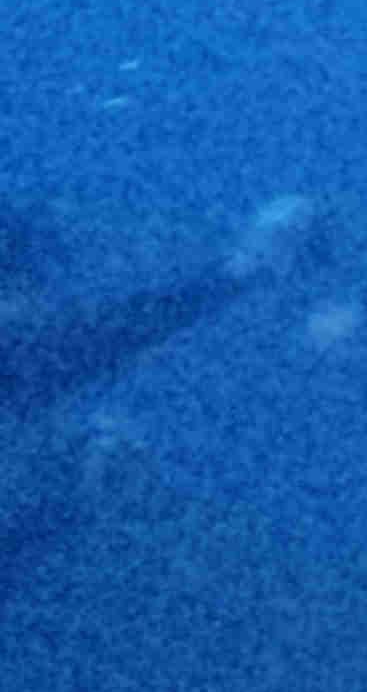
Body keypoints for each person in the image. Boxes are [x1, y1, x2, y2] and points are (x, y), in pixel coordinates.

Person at [0, 194, 326, 607]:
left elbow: (96, 339)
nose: (43, 309)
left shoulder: (24, 360)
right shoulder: (23, 355)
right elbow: (95, 339)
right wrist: (67, 503)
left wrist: (70, 498)